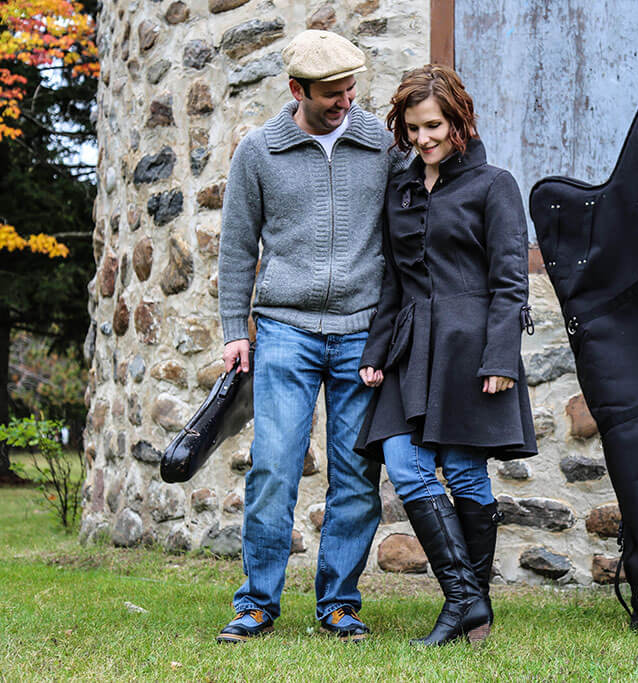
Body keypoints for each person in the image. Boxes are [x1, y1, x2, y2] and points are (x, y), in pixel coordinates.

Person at [215, 30, 407, 644]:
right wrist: (232, 330)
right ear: (295, 90)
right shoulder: (258, 151)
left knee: (356, 471)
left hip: (361, 332)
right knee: (274, 466)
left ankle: (340, 604)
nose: (345, 100)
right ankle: (257, 604)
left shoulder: (381, 142)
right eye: (331, 93)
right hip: (284, 330)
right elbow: (238, 248)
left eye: (351, 87)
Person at [355, 65, 537, 646]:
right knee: (404, 464)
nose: (422, 139)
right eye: (411, 129)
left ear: (459, 120)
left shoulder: (494, 185)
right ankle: (468, 602)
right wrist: (376, 351)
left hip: (470, 345)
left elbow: (510, 280)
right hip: (411, 347)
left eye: (432, 125)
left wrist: (501, 359)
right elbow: (394, 279)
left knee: (462, 471)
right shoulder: (402, 187)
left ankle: (465, 610)